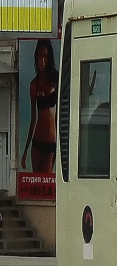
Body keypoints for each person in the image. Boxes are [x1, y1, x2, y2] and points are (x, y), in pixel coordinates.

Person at [20, 39, 59, 173]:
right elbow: (33, 119)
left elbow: (60, 115)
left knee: (46, 182)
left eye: (45, 56)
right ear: (36, 57)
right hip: (37, 142)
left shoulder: (55, 80)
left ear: (49, 58)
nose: (42, 60)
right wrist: (25, 151)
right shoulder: (34, 85)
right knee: (36, 182)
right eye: (39, 56)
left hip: (52, 142)